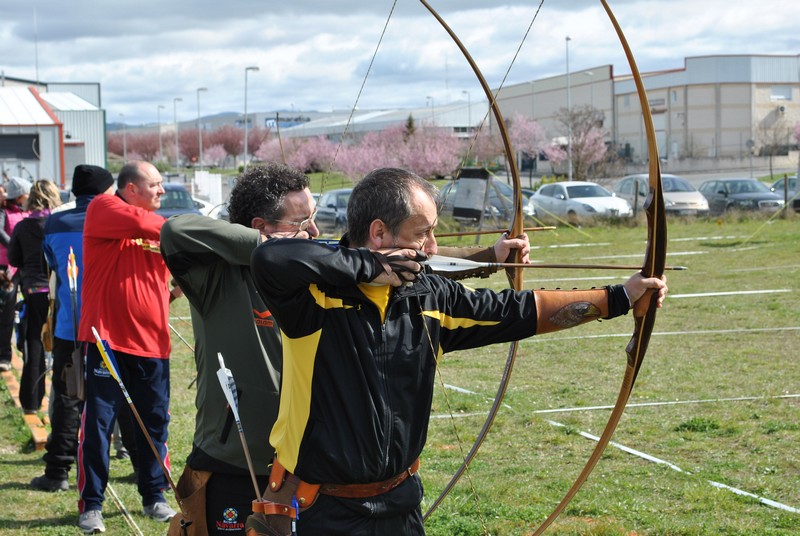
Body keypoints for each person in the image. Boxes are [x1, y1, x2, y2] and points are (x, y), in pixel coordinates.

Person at [249, 167, 667, 535]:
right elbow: (270, 256)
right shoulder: (314, 298)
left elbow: (520, 311)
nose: (432, 247)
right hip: (320, 508)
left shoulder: (431, 297)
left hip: (400, 503)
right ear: (379, 233)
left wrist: (620, 298)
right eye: (422, 233)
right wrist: (373, 267)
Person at [159, 162, 530, 535]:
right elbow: (176, 230)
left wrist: (488, 256)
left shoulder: (321, 271)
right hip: (236, 460)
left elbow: (405, 262)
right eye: (302, 222)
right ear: (261, 227)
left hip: (301, 471)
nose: (315, 232)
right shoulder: (215, 277)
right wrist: (271, 247)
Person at [76, 160, 176, 534]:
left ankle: (155, 496)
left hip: (152, 344)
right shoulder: (104, 207)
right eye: (155, 184)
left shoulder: (158, 228)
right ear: (130, 188)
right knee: (99, 425)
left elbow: (167, 283)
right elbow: (152, 226)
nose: (162, 190)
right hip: (108, 341)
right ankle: (92, 505)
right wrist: (181, 231)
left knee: (154, 423)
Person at [29, 165, 115, 492]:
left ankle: (57, 471)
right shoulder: (115, 220)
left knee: (67, 397)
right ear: (105, 191)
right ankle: (141, 468)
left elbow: (52, 265)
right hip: (110, 326)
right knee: (121, 394)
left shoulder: (55, 223)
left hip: (70, 324)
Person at [8, 180, 62, 414]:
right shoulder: (59, 223)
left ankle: (31, 401)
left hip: (33, 290)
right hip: (58, 289)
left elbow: (14, 259)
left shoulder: (23, 226)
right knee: (63, 345)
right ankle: (64, 402)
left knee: (34, 343)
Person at [0, 177, 31, 372]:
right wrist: (15, 246)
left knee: (29, 310)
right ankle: (4, 356)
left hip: (25, 267)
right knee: (6, 314)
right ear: (19, 196)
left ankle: (28, 352)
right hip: (7, 269)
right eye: (27, 193)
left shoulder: (27, 212)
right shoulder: (3, 212)